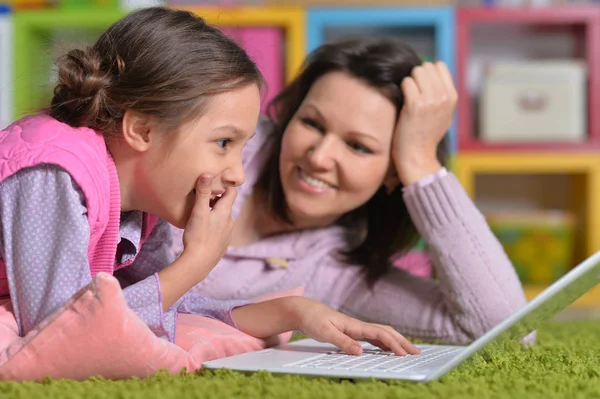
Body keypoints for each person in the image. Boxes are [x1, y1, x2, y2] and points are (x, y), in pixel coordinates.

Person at [0, 7, 421, 358]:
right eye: (223, 142)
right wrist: (195, 262)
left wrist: (291, 311)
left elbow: (172, 304)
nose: (238, 172)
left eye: (241, 147)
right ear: (143, 130)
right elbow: (59, 337)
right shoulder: (52, 172)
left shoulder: (147, 199)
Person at [175, 38, 529, 345]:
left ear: (394, 173)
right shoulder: (226, 139)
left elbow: (507, 329)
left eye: (358, 147)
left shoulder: (339, 275)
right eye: (312, 123)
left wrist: (422, 165)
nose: (319, 157)